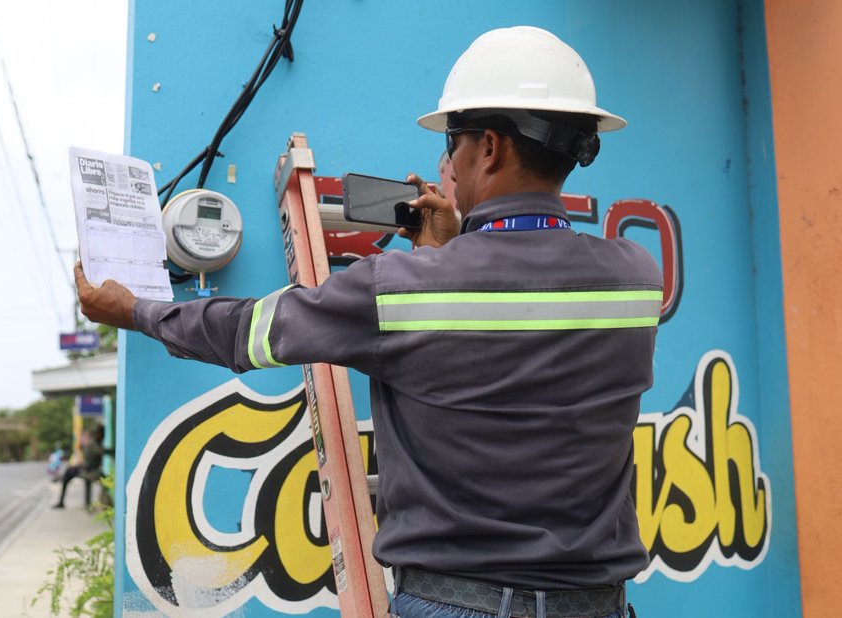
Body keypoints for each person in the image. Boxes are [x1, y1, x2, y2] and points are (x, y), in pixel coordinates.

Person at [75, 26, 660, 618]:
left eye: (453, 141)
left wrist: (136, 310)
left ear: (489, 147)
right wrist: (448, 254)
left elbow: (247, 331)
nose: (449, 163)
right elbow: (519, 320)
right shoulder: (636, 280)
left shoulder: (401, 290)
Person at [53, 425, 106, 509]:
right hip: (87, 469)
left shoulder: (94, 443)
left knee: (68, 473)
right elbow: (97, 454)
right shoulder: (93, 443)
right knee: (67, 473)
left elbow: (100, 452)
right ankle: (62, 502)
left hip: (91, 471)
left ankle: (96, 504)